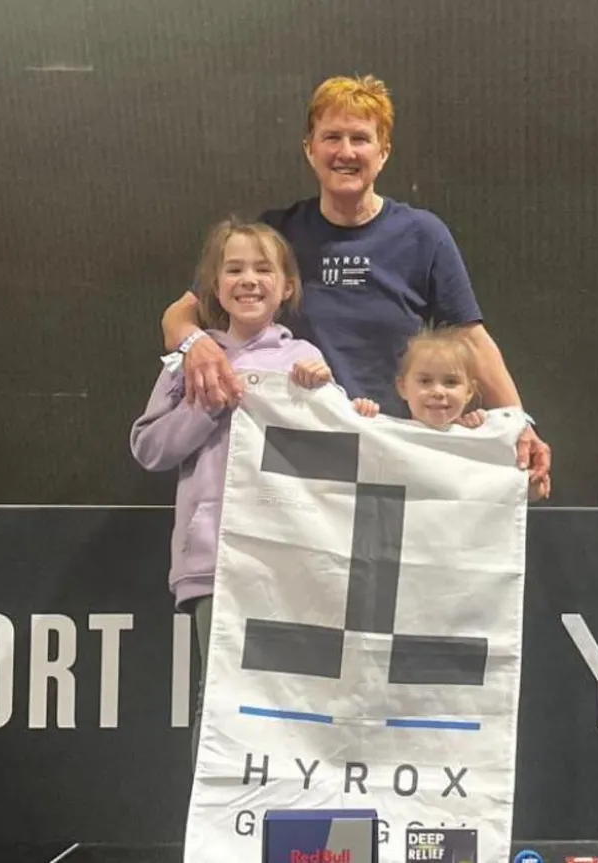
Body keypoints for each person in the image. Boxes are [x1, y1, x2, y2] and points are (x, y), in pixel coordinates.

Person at [157, 73, 552, 500]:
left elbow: (470, 339)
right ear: (310, 150)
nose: (345, 152)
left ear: (383, 152)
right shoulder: (275, 234)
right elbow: (180, 314)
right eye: (331, 137)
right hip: (299, 461)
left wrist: (518, 422)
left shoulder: (423, 235)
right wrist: (195, 346)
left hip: (396, 448)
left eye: (360, 138)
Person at [128, 217, 346, 761]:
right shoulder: (187, 362)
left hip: (287, 559)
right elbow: (149, 448)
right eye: (234, 269)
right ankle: (218, 835)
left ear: (287, 286)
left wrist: (331, 399)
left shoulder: (304, 361)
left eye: (263, 268)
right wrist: (205, 406)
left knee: (290, 701)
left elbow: (340, 457)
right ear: (214, 286)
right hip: (215, 563)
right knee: (221, 704)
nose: (249, 279)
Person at [352, 327, 489, 432]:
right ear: (403, 387)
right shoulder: (386, 432)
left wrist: (485, 428)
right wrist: (360, 413)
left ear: (469, 391)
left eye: (450, 382)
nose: (438, 392)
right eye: (425, 381)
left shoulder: (476, 435)